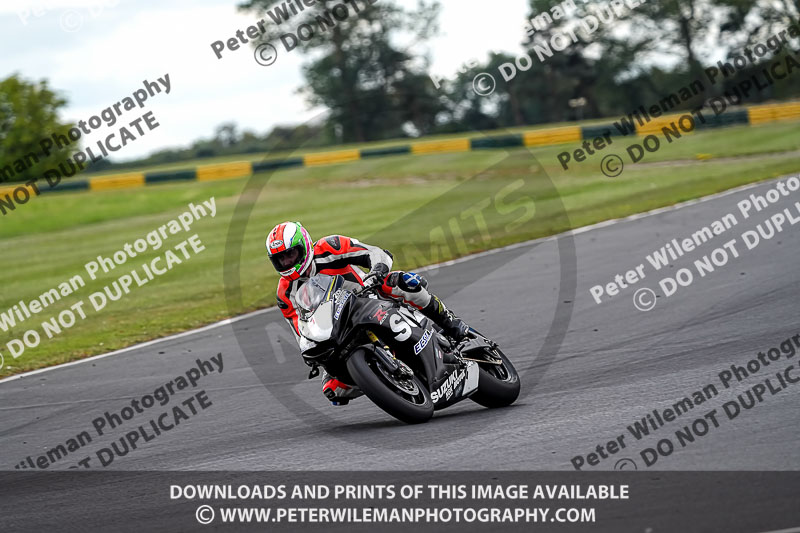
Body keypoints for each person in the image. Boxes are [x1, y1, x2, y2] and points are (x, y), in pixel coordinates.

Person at [266, 221, 471, 405]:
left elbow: (375, 253)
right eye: (280, 259)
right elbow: (301, 331)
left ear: (305, 246)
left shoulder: (330, 247)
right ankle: (389, 382)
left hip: (370, 297)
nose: (287, 262)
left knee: (402, 283)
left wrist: (376, 272)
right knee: (333, 389)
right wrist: (311, 354)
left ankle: (452, 324)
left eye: (291, 254)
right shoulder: (285, 294)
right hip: (339, 330)